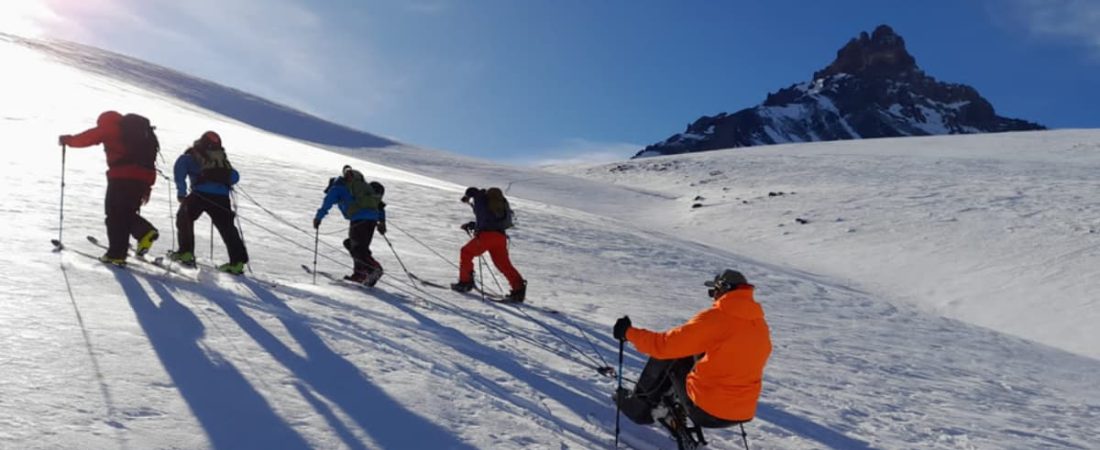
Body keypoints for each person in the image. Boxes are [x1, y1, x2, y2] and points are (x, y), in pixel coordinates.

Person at [612, 269, 772, 432]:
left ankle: (639, 409)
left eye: (714, 292)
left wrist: (628, 333)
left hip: (709, 409)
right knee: (693, 352)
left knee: (669, 356)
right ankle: (673, 407)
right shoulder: (759, 324)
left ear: (723, 289)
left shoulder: (717, 317)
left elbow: (664, 346)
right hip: (743, 410)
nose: (713, 297)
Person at [59, 111, 159, 265]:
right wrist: (147, 187)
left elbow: (89, 137)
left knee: (114, 214)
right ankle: (140, 234)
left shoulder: (111, 127)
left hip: (122, 177)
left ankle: (117, 253)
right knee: (125, 212)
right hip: (143, 178)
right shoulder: (138, 134)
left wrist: (68, 140)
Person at [168, 131, 249, 274]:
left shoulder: (191, 156)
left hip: (200, 194)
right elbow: (235, 177)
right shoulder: (220, 158)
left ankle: (186, 253)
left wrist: (181, 192)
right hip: (222, 198)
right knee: (227, 228)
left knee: (184, 217)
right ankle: (237, 263)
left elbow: (180, 169)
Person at [450, 186, 526, 302]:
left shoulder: (480, 198)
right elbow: (489, 219)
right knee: (503, 264)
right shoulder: (501, 204)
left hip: (486, 237)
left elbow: (482, 215)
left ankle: (465, 282)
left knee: (466, 252)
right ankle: (518, 289)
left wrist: (468, 198)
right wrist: (473, 225)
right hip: (500, 237)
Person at [313, 165, 386, 285]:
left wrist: (318, 218)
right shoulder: (358, 188)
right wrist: (381, 222)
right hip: (370, 220)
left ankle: (374, 268)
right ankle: (360, 274)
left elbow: (327, 203)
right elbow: (379, 205)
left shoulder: (337, 188)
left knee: (357, 247)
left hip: (359, 219)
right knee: (353, 245)